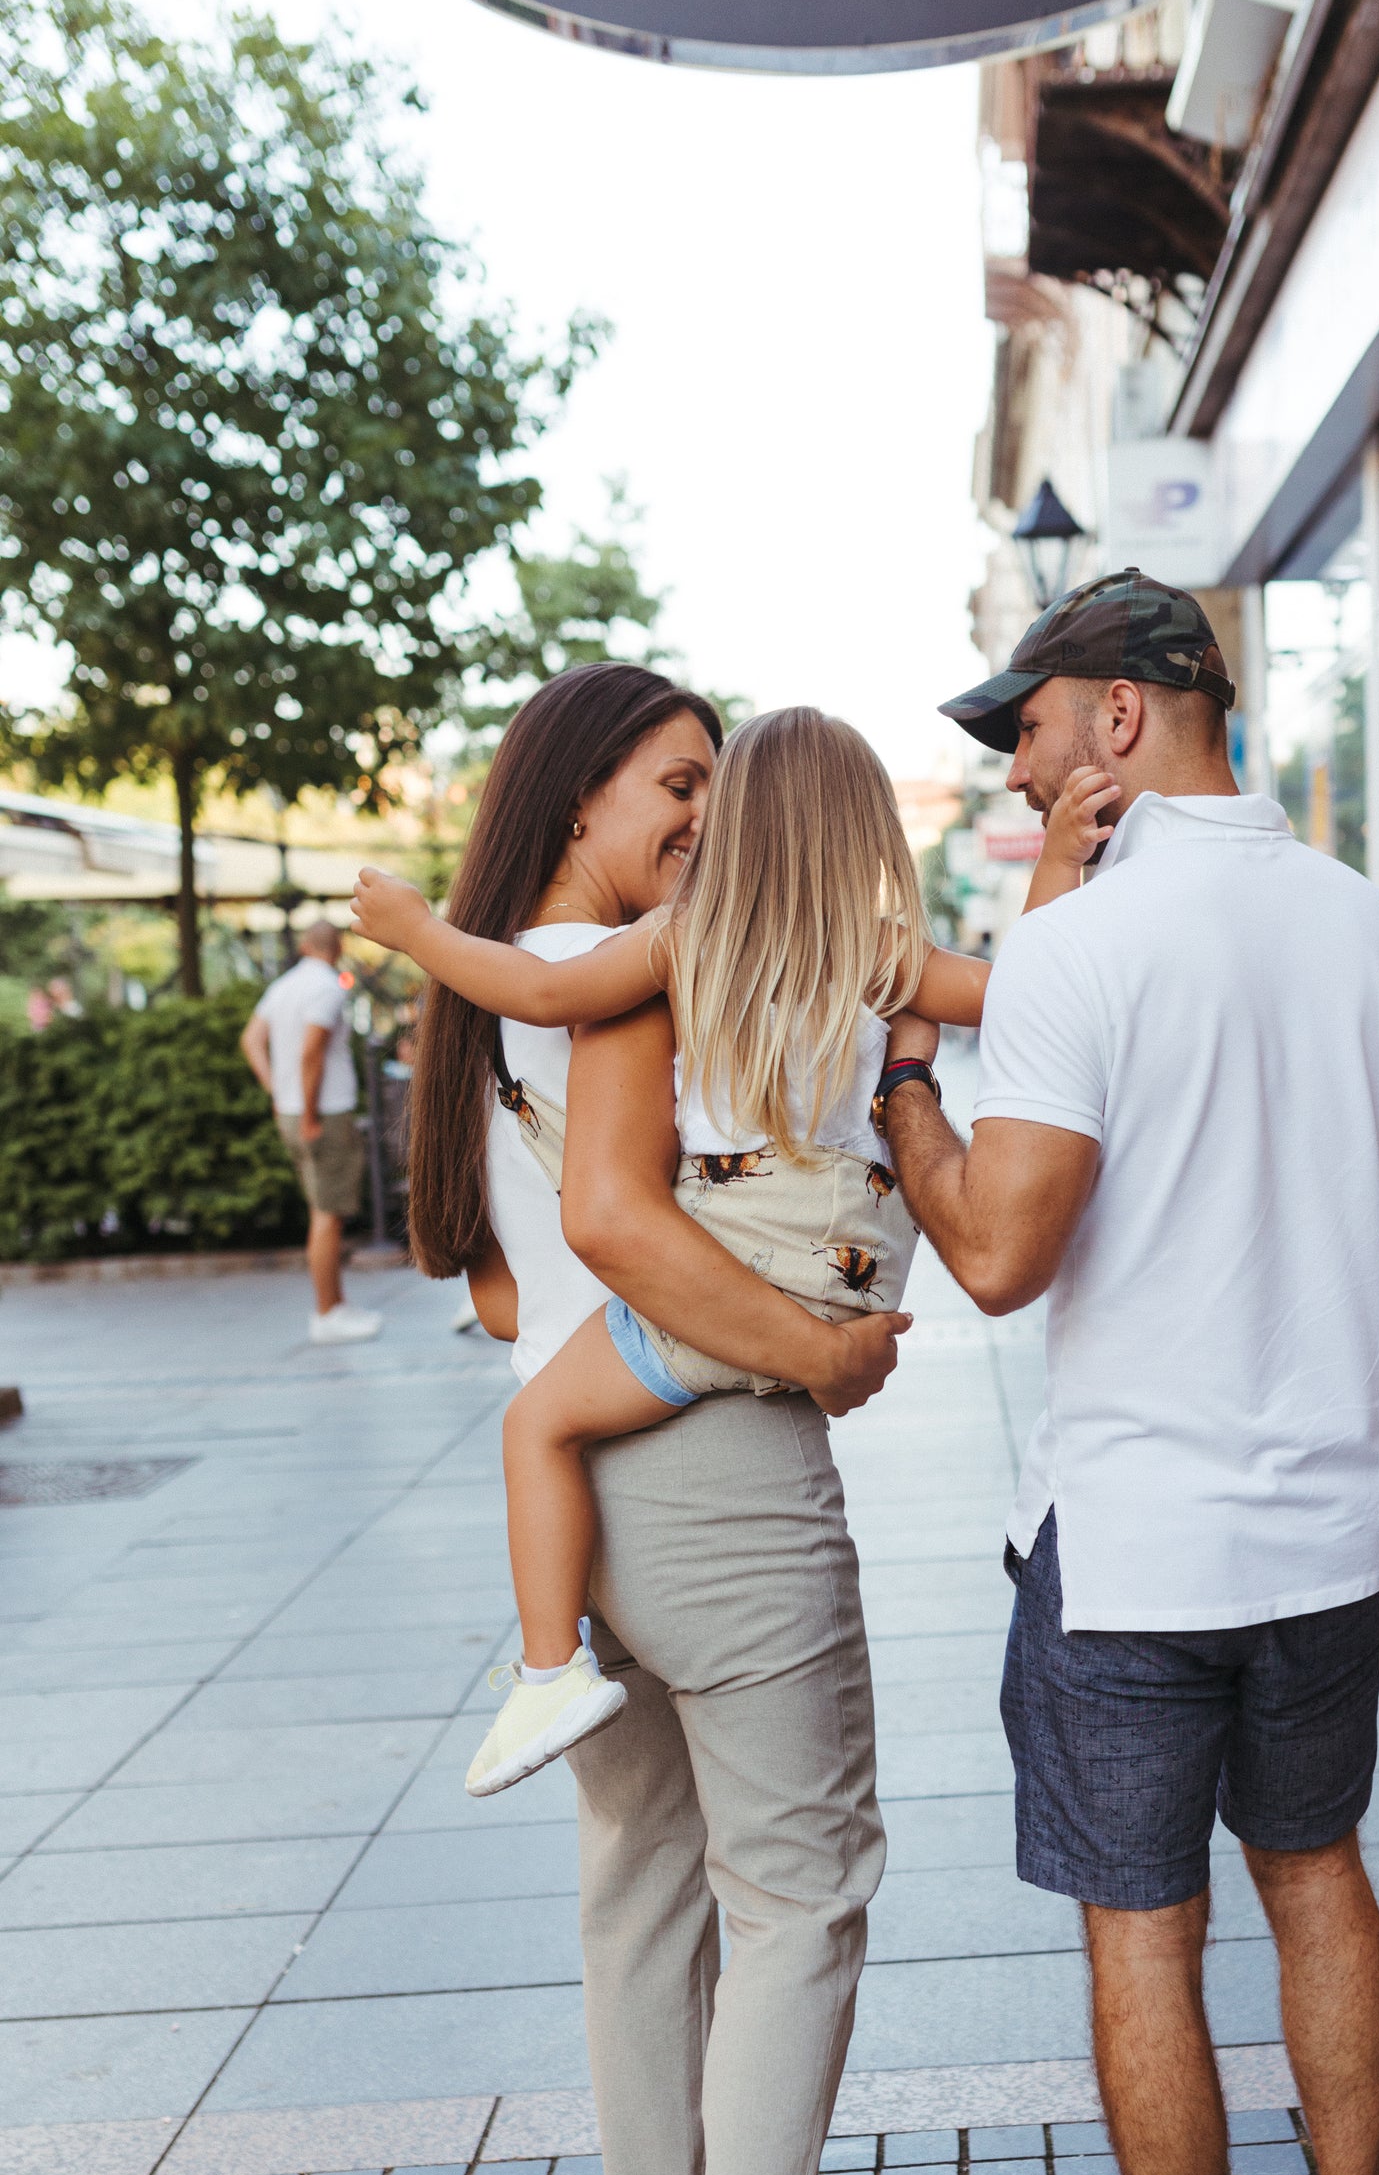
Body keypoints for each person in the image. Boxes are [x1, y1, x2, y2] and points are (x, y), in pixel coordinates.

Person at [879, 568, 1379, 2175]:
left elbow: (993, 1252)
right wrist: (1362, 1461)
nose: (1019, 764)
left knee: (1144, 1921)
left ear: (1123, 713)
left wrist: (907, 1085)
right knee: (1317, 1872)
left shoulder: (1077, 949)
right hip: (1323, 1532)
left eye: (1030, 725)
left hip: (1131, 1542)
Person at [402, 661, 911, 2175]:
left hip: (582, 1484)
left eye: (717, 786)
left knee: (641, 1891)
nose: (704, 817)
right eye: (677, 781)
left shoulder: (480, 1010)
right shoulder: (636, 964)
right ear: (579, 790)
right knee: (802, 1887)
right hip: (712, 1462)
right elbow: (630, 1222)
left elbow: (500, 1277)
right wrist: (809, 1341)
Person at [353, 713, 1106, 1801]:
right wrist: (1054, 867)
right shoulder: (871, 949)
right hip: (852, 1273)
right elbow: (1019, 994)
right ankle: (549, 1658)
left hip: (741, 1267)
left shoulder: (678, 943)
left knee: (537, 1423)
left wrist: (418, 931)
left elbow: (544, 993)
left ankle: (546, 1666)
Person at [241, 919, 383, 1346]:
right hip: (322, 1112)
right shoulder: (326, 987)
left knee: (322, 1210)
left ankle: (335, 1304)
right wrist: (308, 1114)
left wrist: (276, 1091)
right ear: (336, 946)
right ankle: (327, 1313)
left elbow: (251, 1041)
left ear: (304, 945)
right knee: (327, 1214)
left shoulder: (283, 986)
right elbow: (312, 1053)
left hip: (295, 1109)